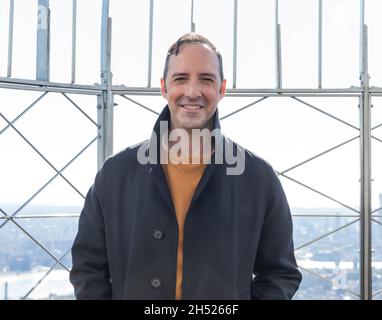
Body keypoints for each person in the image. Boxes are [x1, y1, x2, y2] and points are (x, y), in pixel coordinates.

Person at [70, 33, 302, 300]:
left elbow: (280, 274)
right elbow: (87, 269)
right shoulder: (115, 175)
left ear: (222, 89)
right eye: (180, 79)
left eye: (206, 79)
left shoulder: (258, 179)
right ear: (164, 87)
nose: (192, 92)